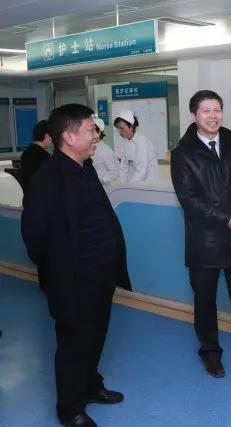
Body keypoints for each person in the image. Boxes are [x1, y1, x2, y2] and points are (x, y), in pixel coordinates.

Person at [21, 104, 131, 427]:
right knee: (73, 344)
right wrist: (60, 271)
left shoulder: (86, 167)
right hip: (73, 280)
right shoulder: (48, 179)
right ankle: (69, 408)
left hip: (101, 274)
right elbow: (34, 235)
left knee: (95, 335)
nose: (97, 135)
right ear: (68, 137)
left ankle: (90, 385)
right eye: (90, 130)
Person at [171, 90, 231, 378]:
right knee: (205, 302)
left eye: (217, 110)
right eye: (206, 111)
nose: (213, 116)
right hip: (204, 241)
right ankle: (211, 354)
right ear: (194, 116)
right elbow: (188, 200)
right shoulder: (182, 152)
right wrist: (226, 219)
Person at [113, 110, 159, 184]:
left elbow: (141, 171)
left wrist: (128, 186)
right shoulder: (125, 143)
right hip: (133, 184)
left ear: (131, 126)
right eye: (117, 128)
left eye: (121, 128)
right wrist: (122, 185)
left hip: (147, 184)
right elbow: (123, 168)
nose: (119, 131)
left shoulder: (142, 142)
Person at [21, 119, 53, 192]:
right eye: (52, 137)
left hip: (28, 194)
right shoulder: (45, 156)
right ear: (47, 136)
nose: (53, 141)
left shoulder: (25, 153)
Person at [91, 117, 119, 185]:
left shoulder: (105, 150)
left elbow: (115, 172)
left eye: (92, 131)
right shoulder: (87, 147)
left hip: (102, 186)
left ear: (99, 132)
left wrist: (100, 180)